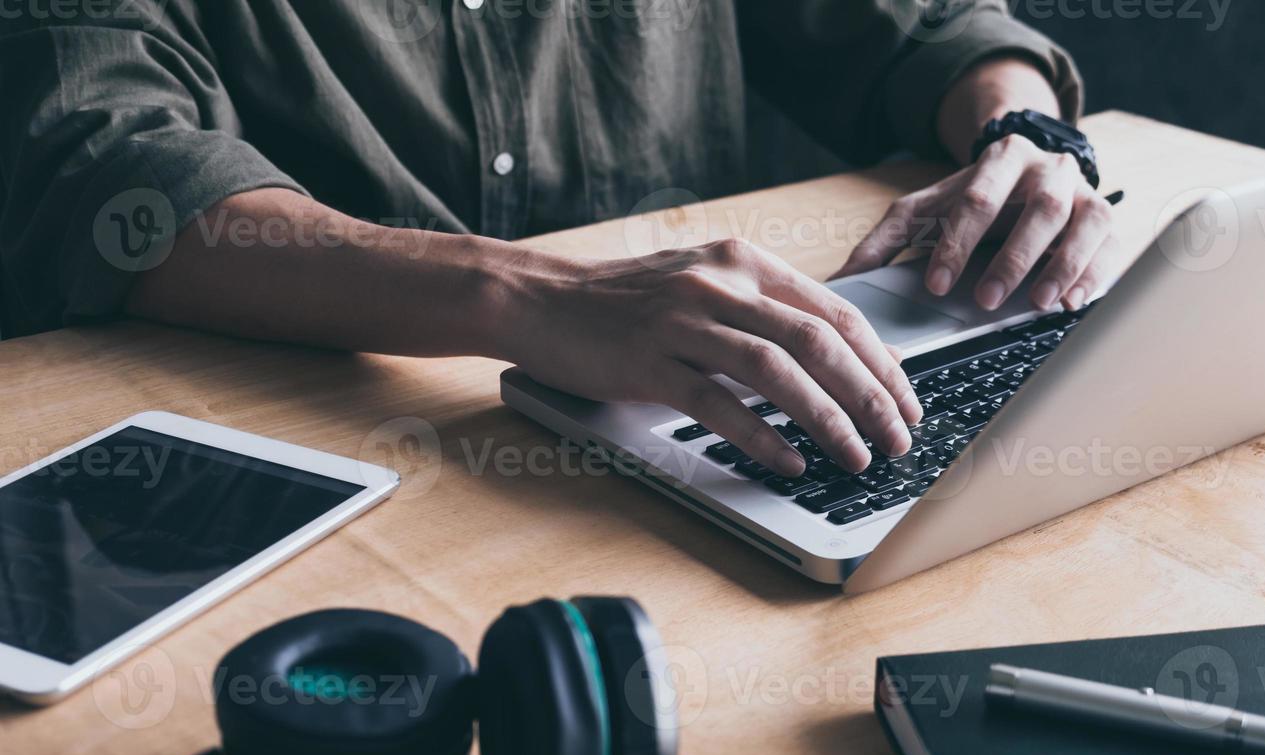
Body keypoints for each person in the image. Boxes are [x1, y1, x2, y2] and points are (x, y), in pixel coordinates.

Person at [0, 0, 1120, 478]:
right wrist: (535, 298)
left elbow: (918, 27)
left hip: (706, 422)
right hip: (359, 456)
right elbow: (110, 177)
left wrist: (1020, 131)